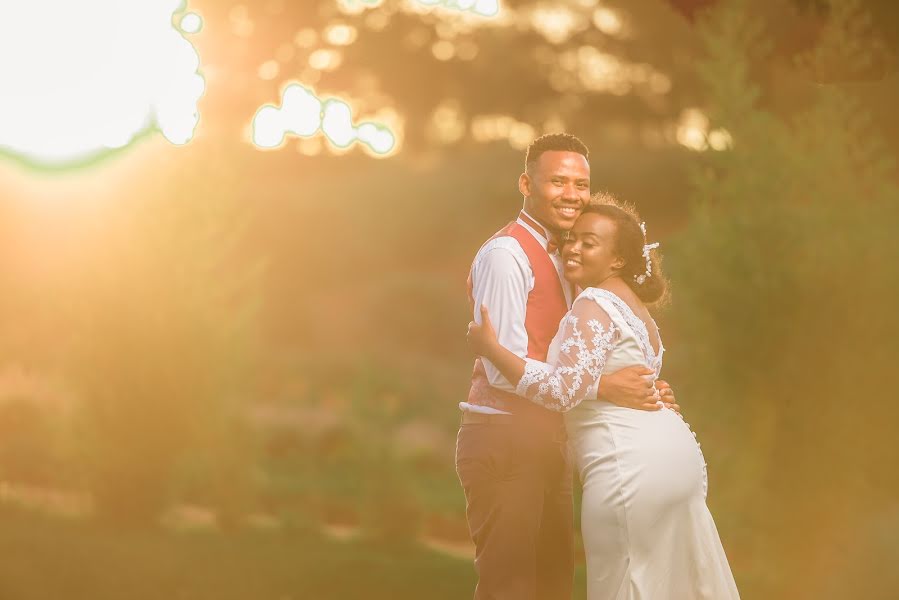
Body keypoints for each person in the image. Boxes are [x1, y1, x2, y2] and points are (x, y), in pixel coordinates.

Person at [467, 200, 740, 599]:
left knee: (625, 587)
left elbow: (563, 389)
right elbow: (630, 379)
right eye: (571, 239)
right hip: (671, 465)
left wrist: (492, 349)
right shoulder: (632, 305)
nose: (573, 248)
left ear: (617, 260)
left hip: (628, 471)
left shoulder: (593, 305)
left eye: (589, 243)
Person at [457, 133, 677, 600]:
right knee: (510, 588)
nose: (572, 194)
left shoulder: (573, 258)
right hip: (505, 438)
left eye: (581, 184)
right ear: (526, 183)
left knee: (554, 585)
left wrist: (644, 390)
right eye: (558, 182)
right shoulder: (506, 256)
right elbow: (501, 370)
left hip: (552, 443)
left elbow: (589, 348)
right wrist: (606, 388)